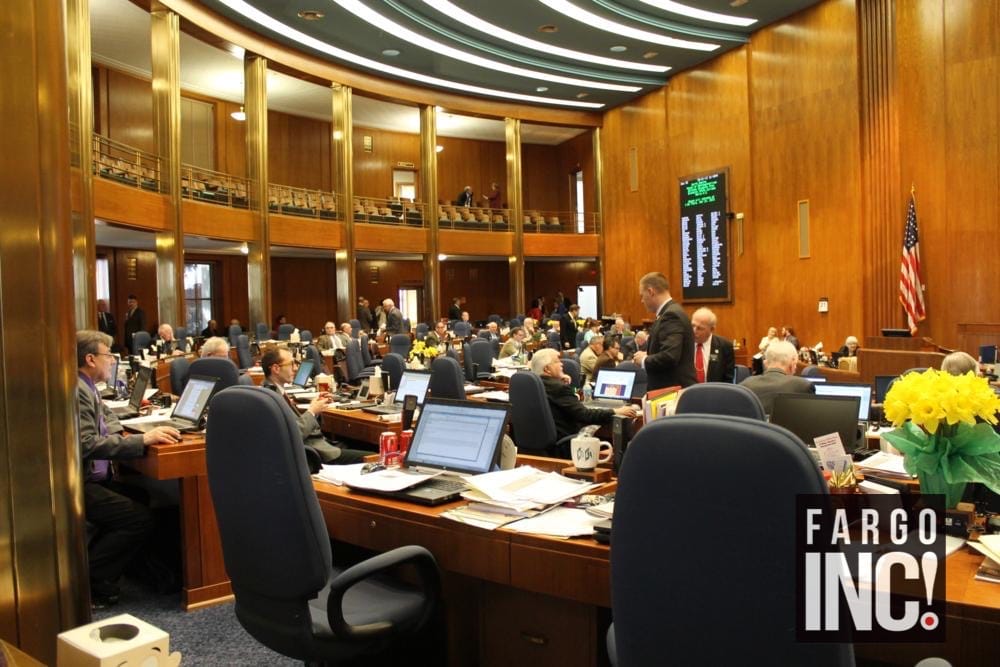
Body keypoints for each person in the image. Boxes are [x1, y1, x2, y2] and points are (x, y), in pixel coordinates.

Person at [76, 330, 179, 607]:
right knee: (138, 518)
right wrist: (142, 439)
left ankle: (137, 570)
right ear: (90, 359)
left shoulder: (87, 387)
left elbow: (108, 419)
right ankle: (92, 582)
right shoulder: (78, 391)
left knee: (142, 497)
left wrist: (129, 433)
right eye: (108, 356)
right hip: (78, 483)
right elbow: (86, 444)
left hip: (93, 476)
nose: (112, 361)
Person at [260, 347, 368, 464]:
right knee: (375, 456)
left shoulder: (276, 391)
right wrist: (312, 411)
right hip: (316, 452)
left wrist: (316, 408)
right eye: (291, 364)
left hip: (321, 444)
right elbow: (294, 433)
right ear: (276, 368)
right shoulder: (272, 398)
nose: (296, 368)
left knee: (362, 444)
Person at [530, 348, 637, 443]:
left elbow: (561, 403)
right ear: (547, 369)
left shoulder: (533, 385)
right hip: (569, 443)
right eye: (557, 361)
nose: (562, 364)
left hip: (538, 443)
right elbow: (585, 415)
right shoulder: (558, 388)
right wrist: (615, 411)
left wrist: (560, 381)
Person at [633, 272, 696, 390]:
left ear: (651, 292)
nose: (642, 301)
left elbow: (670, 356)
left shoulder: (671, 315)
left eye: (642, 295)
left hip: (672, 393)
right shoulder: (669, 313)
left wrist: (644, 360)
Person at [739, 341, 815, 414]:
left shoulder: (744, 385)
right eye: (796, 365)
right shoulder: (803, 386)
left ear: (765, 364)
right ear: (792, 363)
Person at [691, 307, 735, 384]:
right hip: (688, 392)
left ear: (712, 329)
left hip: (715, 392)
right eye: (692, 326)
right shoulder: (683, 343)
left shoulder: (724, 346)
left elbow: (728, 378)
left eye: (700, 328)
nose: (694, 331)